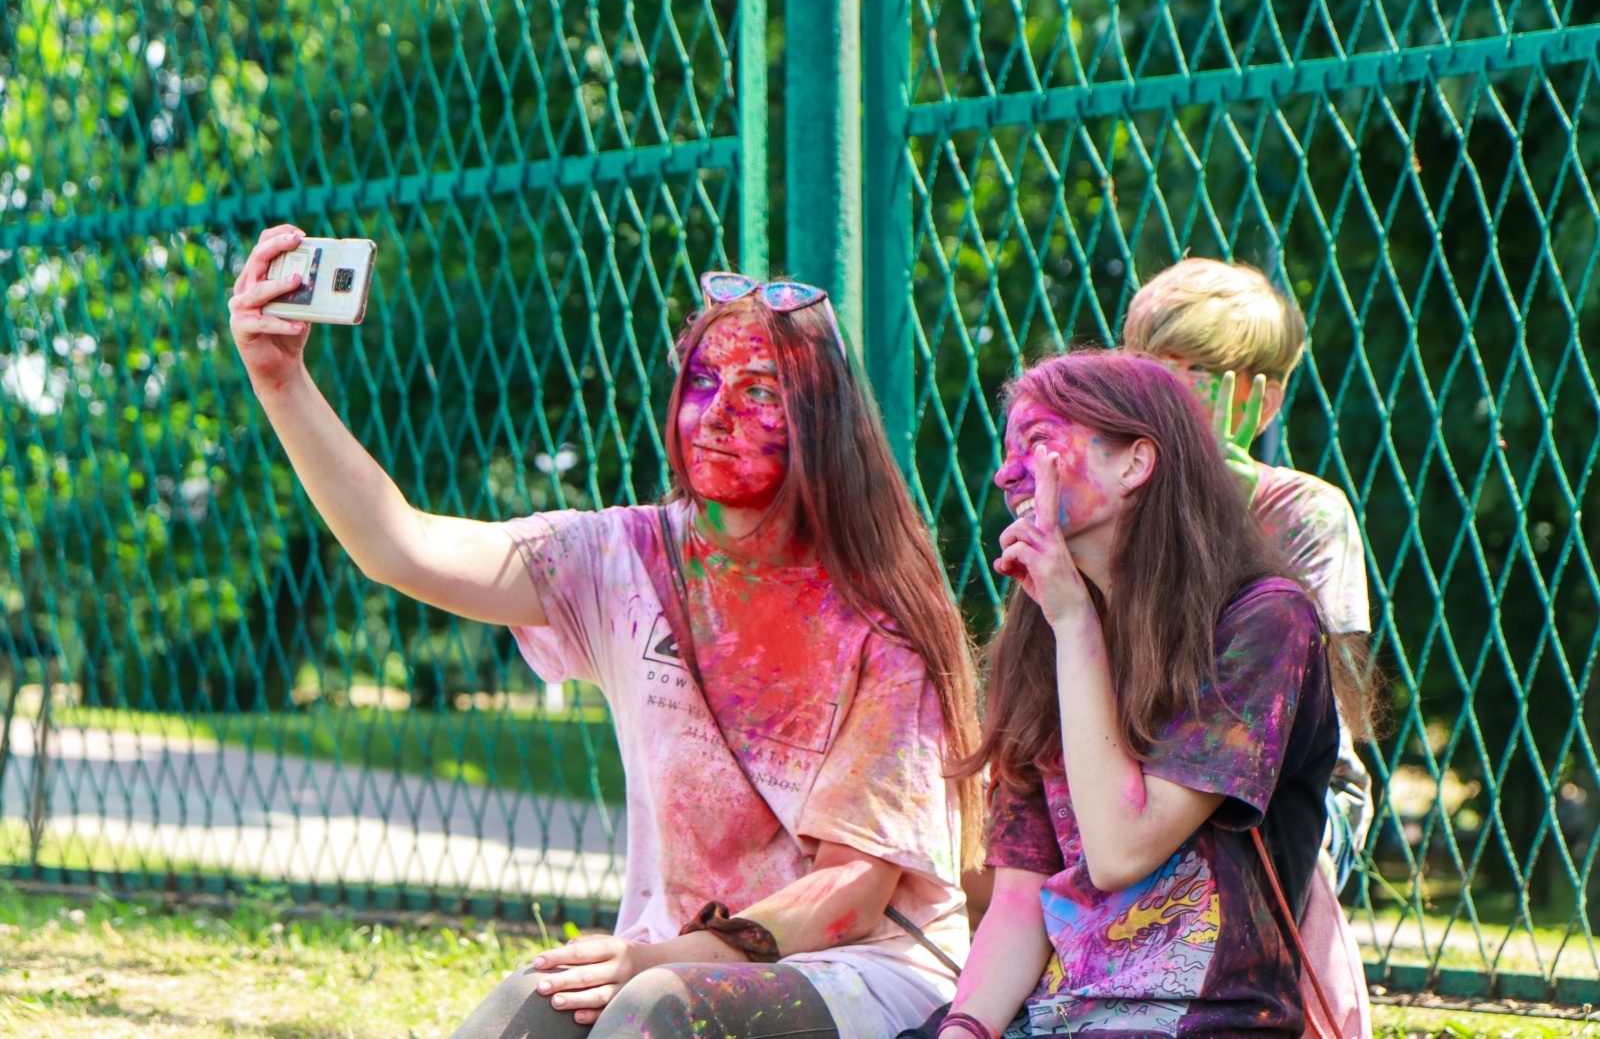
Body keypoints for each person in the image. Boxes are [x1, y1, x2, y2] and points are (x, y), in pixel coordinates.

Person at [227, 225, 982, 1039]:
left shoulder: (880, 620)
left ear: (819, 423)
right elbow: (401, 546)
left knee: (658, 1009)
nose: (718, 411)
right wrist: (281, 381)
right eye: (702, 379)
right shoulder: (628, 558)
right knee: (531, 1005)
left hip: (857, 974)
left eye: (759, 391)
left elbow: (849, 895)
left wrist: (661, 960)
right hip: (662, 964)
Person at [930, 350, 1367, 1038]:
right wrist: (964, 1030)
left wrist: (1075, 623)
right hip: (1057, 1010)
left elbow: (1119, 850)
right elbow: (1019, 896)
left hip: (1202, 1016)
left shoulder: (1264, 622)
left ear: (1136, 463)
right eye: (1009, 450)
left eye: (1039, 443)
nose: (1007, 473)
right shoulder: (1041, 631)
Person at [1121, 257, 1376, 891]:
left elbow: (1310, 704)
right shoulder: (1110, 505)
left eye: (1196, 374)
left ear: (1260, 399)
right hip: (1135, 788)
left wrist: (1212, 523)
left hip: (1286, 803)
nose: (1163, 396)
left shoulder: (1306, 512)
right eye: (1145, 370)